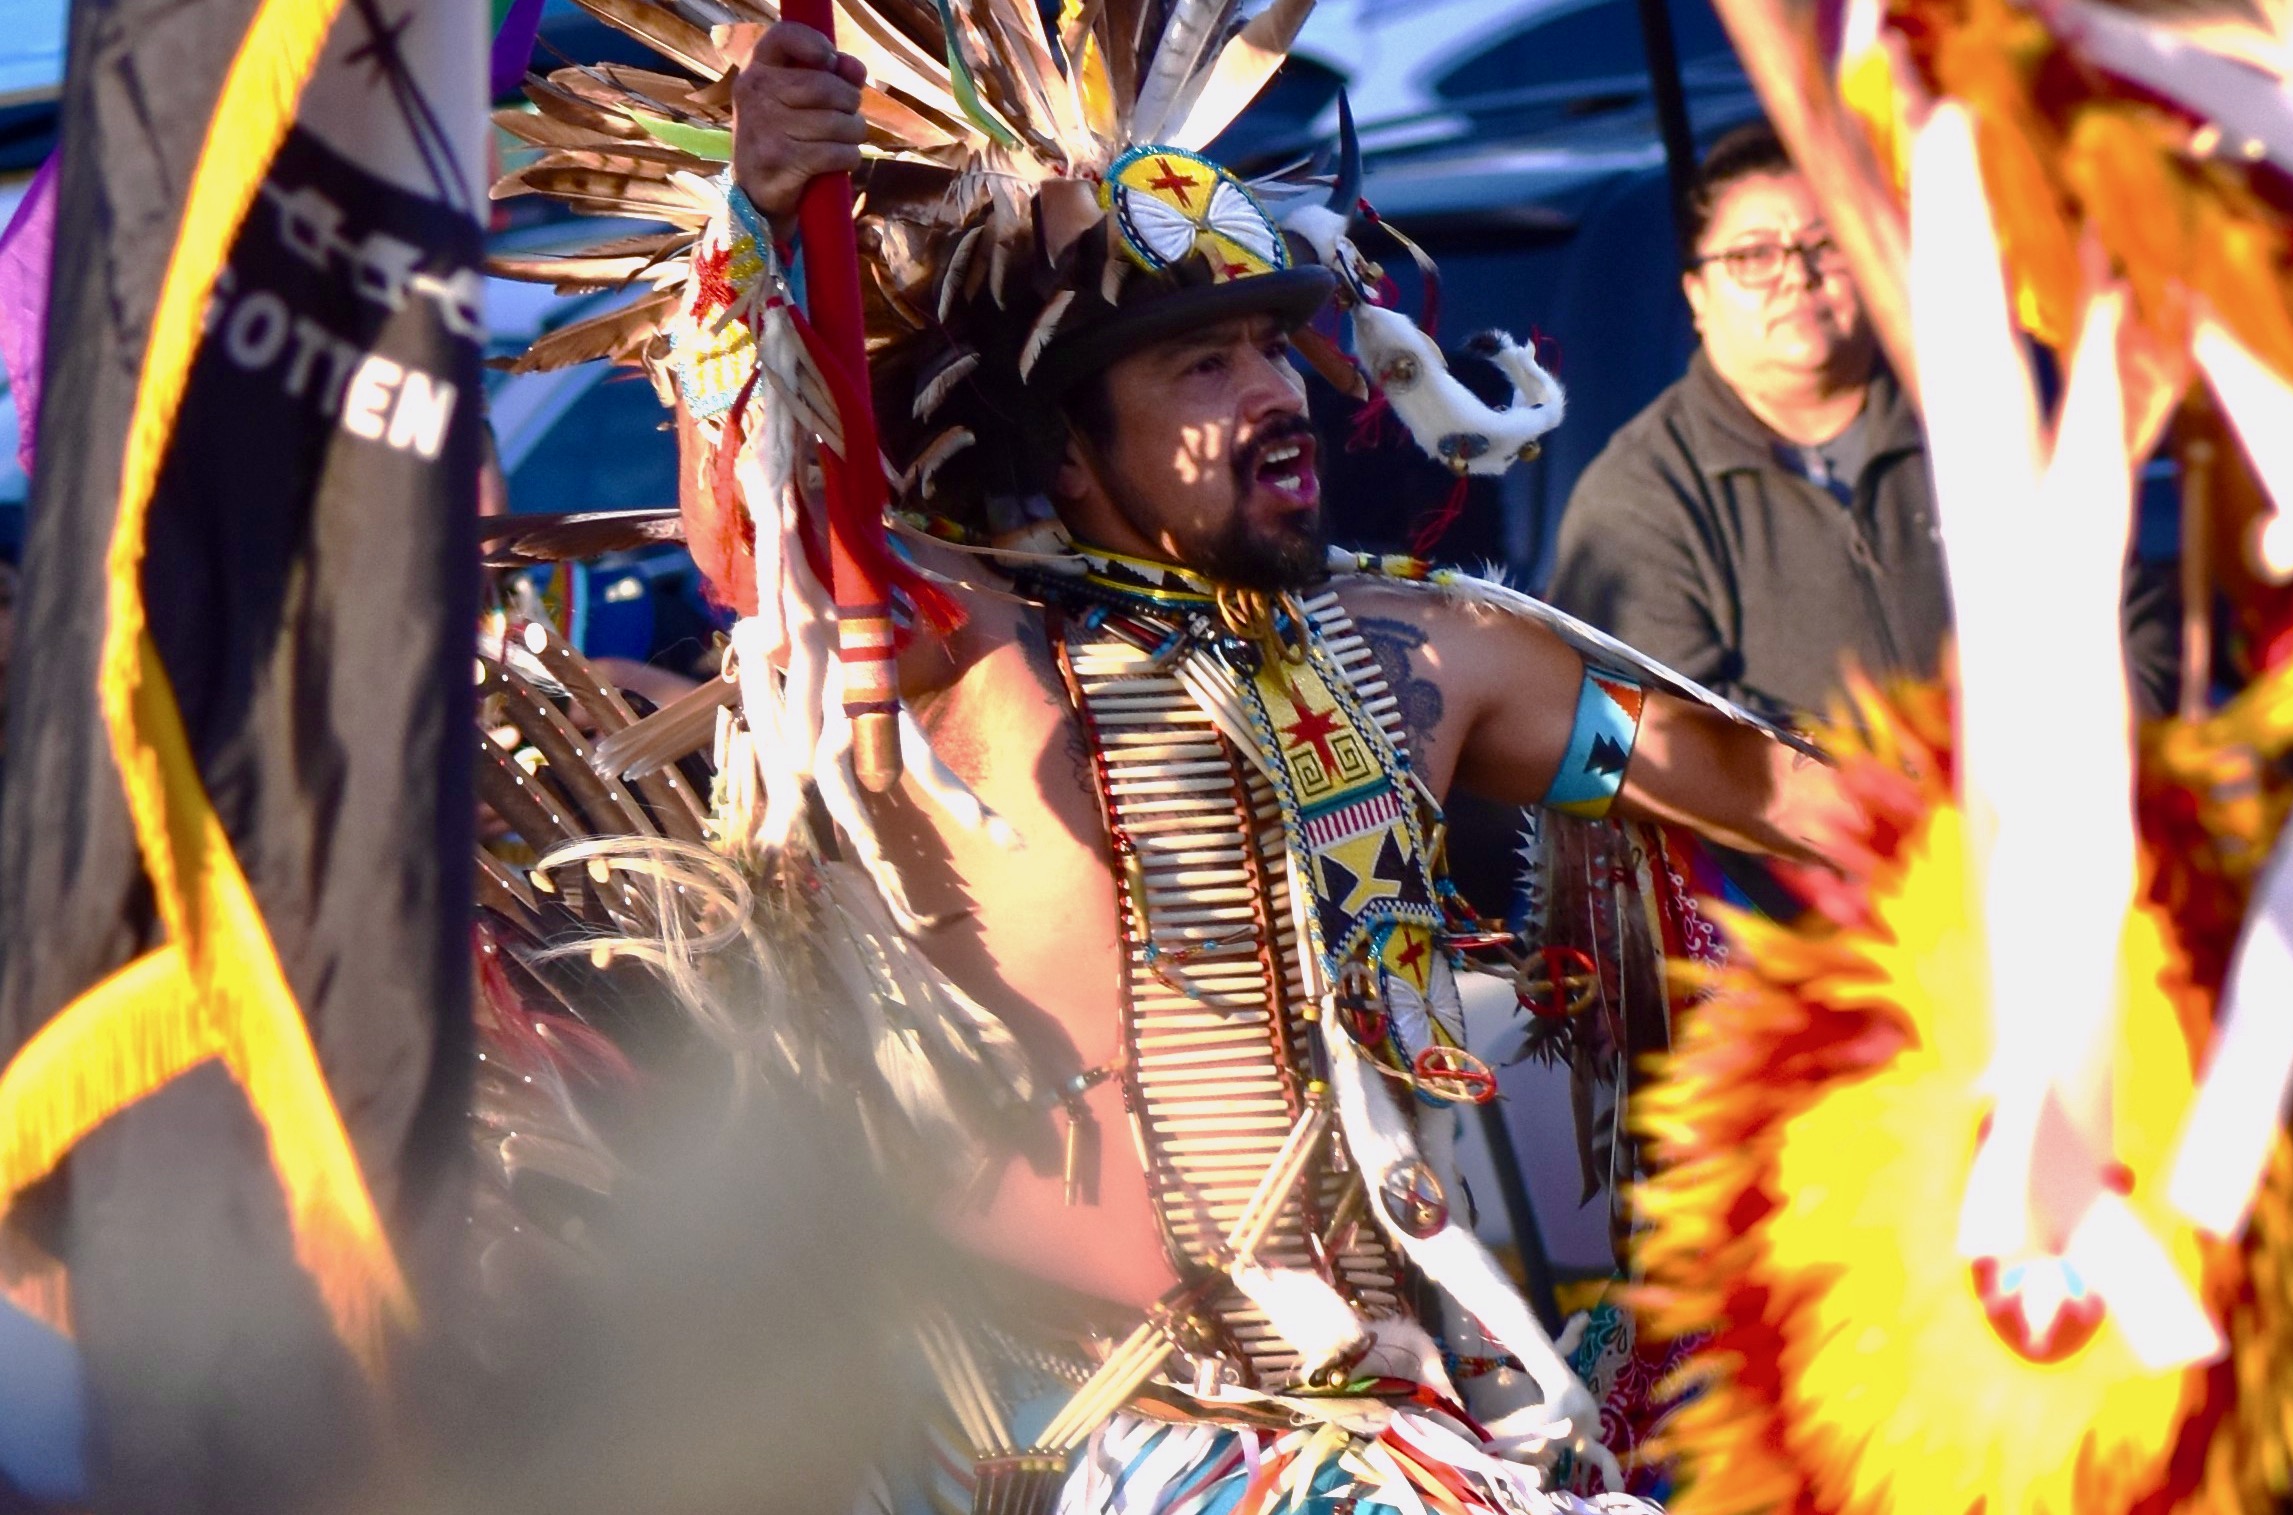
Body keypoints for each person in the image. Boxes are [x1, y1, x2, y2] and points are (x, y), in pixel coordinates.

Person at [485, 12, 1853, 1513]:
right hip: (1075, 1432)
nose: (1271, 394)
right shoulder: (978, 658)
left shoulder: (1433, 658)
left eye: (1272, 346)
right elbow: (776, 526)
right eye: (1199, 367)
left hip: (1398, 1412)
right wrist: (758, 210)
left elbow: (1806, 809)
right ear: (1069, 459)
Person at [1549, 122, 1943, 735]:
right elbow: (1666, 740)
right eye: (1753, 255)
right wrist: (1915, 785)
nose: (1797, 275)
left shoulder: (1971, 432)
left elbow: (2123, 624)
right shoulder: (1640, 496)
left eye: (1825, 243)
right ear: (1697, 296)